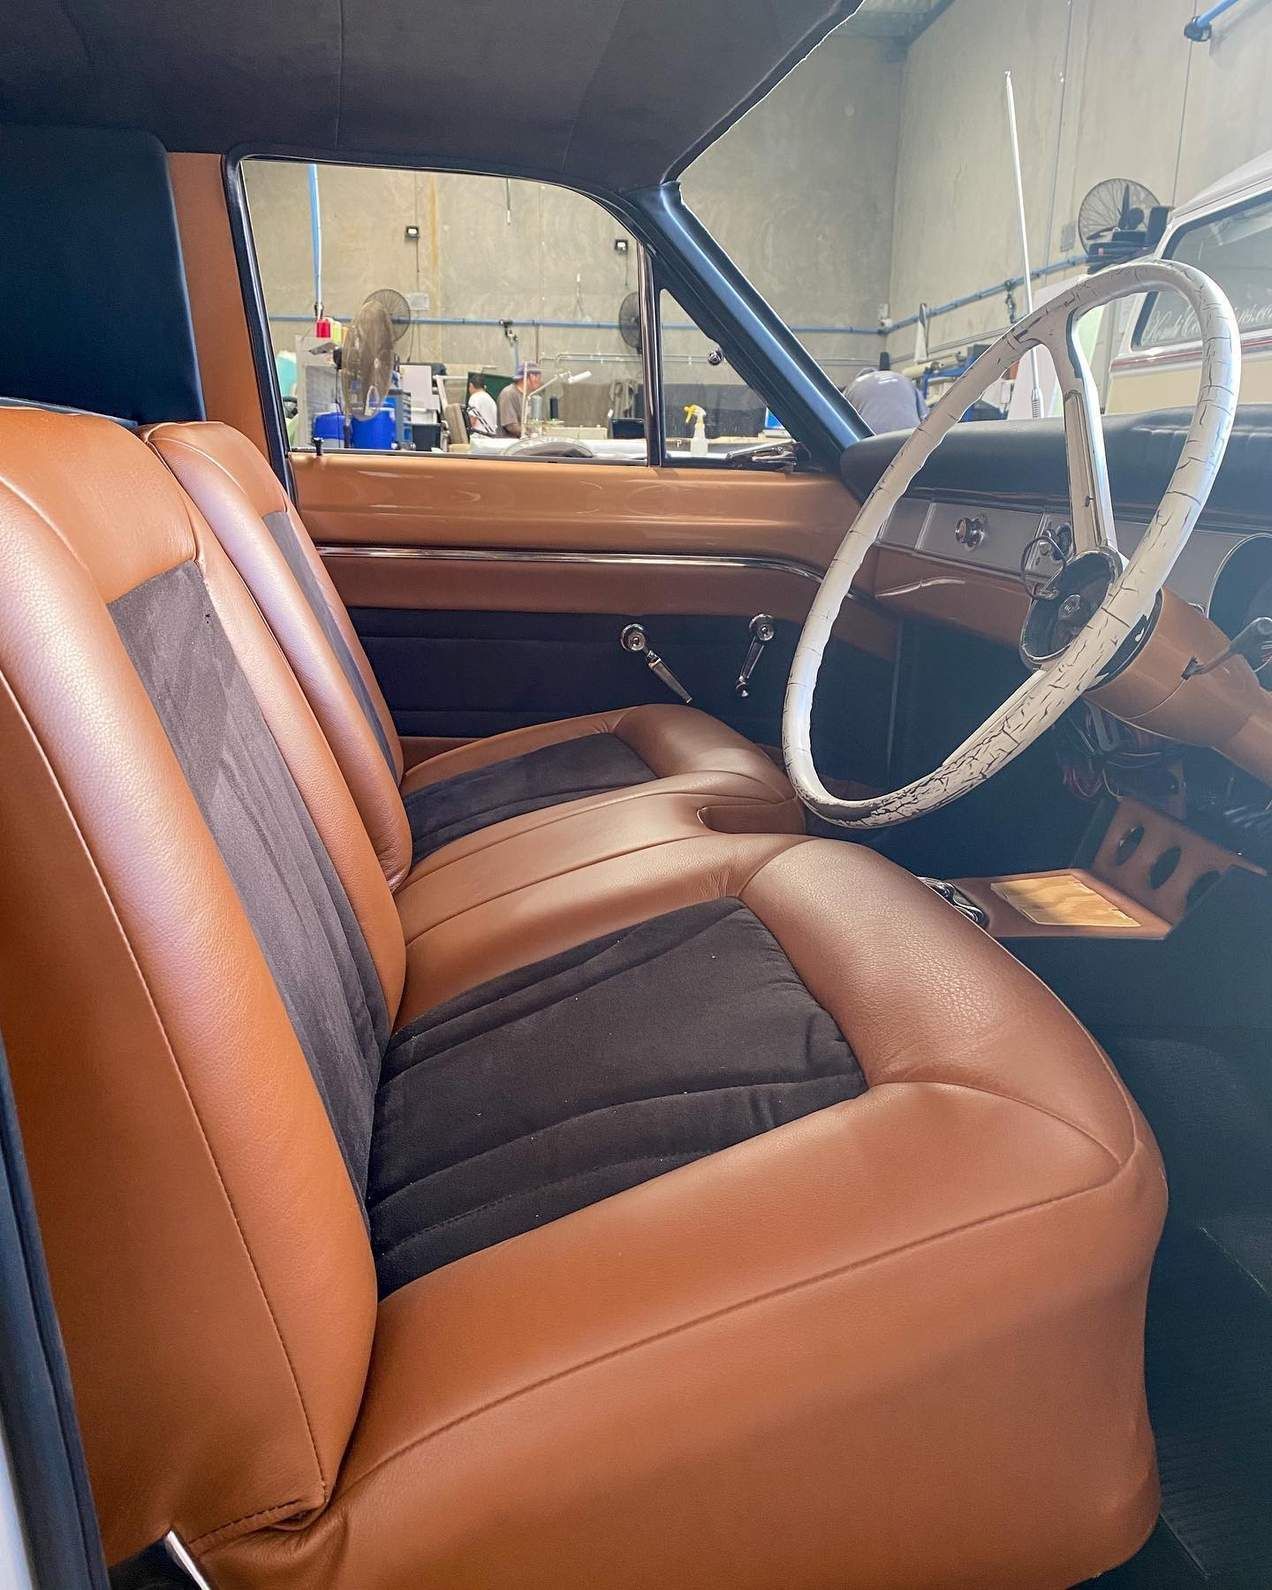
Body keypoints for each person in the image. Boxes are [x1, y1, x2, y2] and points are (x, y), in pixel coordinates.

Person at [846, 350, 929, 433]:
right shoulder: (904, 379)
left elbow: (844, 421)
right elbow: (925, 417)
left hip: (871, 437)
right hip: (910, 435)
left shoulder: (853, 387)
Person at [497, 361, 542, 437]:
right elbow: (511, 426)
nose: (539, 380)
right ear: (530, 376)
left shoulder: (529, 396)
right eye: (538, 376)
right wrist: (531, 433)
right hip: (511, 445)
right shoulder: (508, 393)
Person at [465, 372, 498, 437]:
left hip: (480, 437)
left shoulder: (474, 398)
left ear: (471, 385)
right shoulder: (490, 398)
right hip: (492, 436)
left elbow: (472, 421)